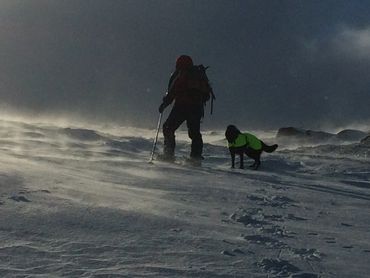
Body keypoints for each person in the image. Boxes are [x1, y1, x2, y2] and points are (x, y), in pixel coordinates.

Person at [158, 55, 212, 163]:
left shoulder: (179, 74)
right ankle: (195, 157)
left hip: (181, 107)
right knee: (194, 133)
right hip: (196, 108)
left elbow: (172, 92)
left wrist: (164, 104)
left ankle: (168, 155)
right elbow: (207, 95)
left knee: (168, 128)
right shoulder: (198, 74)